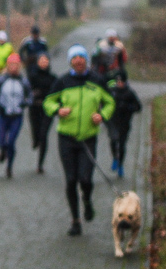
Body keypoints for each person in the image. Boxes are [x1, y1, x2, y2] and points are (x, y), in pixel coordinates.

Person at [43, 44, 116, 236]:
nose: (78, 61)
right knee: (70, 180)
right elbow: (48, 101)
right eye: (74, 58)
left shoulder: (96, 81)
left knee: (85, 179)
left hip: (88, 138)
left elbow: (110, 102)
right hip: (66, 138)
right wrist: (57, 110)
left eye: (81, 57)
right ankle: (75, 220)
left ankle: (87, 200)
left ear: (86, 60)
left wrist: (103, 115)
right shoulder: (63, 82)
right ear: (70, 61)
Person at [0, 53, 31, 178]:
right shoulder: (1, 80)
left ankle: (9, 167)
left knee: (11, 141)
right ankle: (2, 151)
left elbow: (30, 97)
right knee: (2, 141)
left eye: (16, 65)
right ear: (7, 66)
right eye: (11, 65)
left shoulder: (23, 81)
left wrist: (25, 103)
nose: (13, 67)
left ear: (19, 66)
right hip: (3, 115)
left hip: (17, 116)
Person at [106, 74, 142, 178]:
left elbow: (138, 107)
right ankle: (115, 158)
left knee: (121, 145)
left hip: (124, 123)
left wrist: (127, 107)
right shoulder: (112, 91)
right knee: (113, 141)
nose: (119, 84)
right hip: (113, 122)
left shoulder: (129, 93)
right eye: (118, 82)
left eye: (121, 82)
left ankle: (121, 165)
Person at [26, 53, 57, 174]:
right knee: (36, 132)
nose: (44, 63)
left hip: (47, 109)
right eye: (41, 60)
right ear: (38, 62)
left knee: (44, 135)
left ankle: (40, 164)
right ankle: (35, 140)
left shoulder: (53, 78)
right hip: (35, 108)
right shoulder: (32, 77)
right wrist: (32, 95)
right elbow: (27, 91)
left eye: (46, 61)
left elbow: (57, 93)